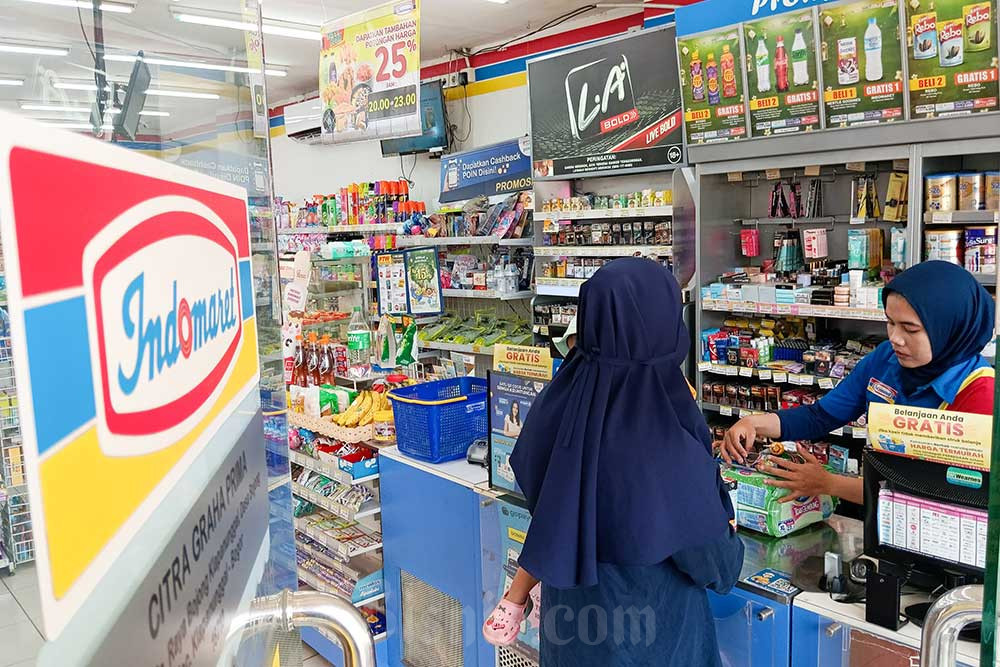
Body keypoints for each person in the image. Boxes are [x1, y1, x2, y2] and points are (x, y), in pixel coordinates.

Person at [484, 258, 744, 664]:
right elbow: (717, 565)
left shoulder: (559, 403)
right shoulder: (663, 435)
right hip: (654, 643)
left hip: (569, 635)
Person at [719, 261, 995, 504]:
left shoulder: (980, 392)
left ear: (951, 329)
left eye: (910, 329)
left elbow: (951, 492)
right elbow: (821, 416)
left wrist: (829, 484)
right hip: (882, 519)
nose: (895, 338)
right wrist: (754, 423)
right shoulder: (886, 358)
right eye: (890, 323)